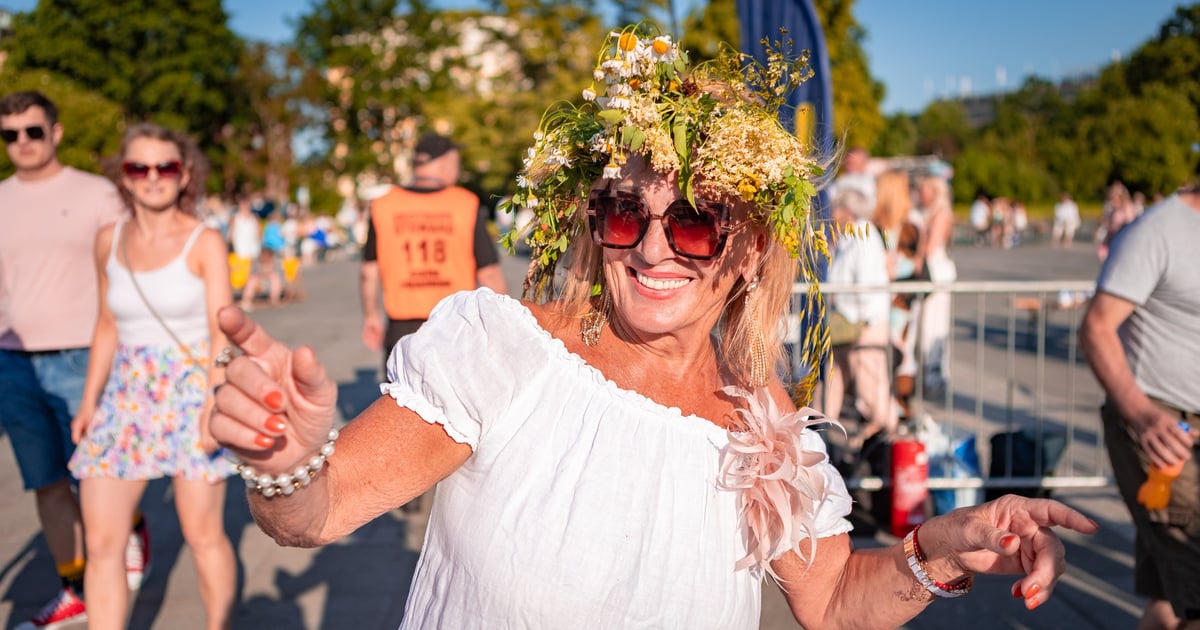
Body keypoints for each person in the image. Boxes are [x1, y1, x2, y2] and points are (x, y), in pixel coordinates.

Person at [211, 27, 1095, 629]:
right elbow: (313, 518)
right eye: (627, 215)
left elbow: (829, 602)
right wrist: (290, 464)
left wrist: (941, 550)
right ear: (597, 227)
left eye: (699, 222)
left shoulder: (765, 426)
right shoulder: (505, 350)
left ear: (746, 251)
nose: (656, 250)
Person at [67, 123, 237, 630]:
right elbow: (105, 325)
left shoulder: (204, 241)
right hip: (125, 396)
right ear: (125, 175)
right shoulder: (107, 240)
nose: (153, 177)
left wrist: (214, 404)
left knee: (203, 534)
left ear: (184, 175)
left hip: (191, 393)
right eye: (140, 167)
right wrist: (88, 402)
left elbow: (221, 329)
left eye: (166, 166)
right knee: (101, 543)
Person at [0, 90, 149, 630]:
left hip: (84, 354)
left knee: (97, 475)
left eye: (32, 131)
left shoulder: (97, 195)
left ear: (55, 133)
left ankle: (129, 525)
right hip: (12, 360)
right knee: (45, 482)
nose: (22, 143)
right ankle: (75, 590)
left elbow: (135, 269)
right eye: (10, 134)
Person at [1080, 185, 1200, 629]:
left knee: (1167, 599)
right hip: (1164, 428)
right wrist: (1143, 414)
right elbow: (1096, 327)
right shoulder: (1160, 230)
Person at [359, 132, 508, 372]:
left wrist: (371, 316)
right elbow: (489, 273)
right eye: (456, 164)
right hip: (455, 324)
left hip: (402, 327)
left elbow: (368, 271)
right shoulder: (465, 204)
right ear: (446, 162)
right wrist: (503, 324)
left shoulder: (382, 206)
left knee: (401, 402)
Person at [822, 189, 896, 442]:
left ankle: (887, 430)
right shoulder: (847, 238)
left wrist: (862, 319)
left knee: (869, 383)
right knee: (836, 372)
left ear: (846, 211)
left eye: (835, 210)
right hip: (849, 318)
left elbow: (867, 280)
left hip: (864, 320)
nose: (831, 215)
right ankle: (824, 422)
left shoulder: (862, 236)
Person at [913, 175, 957, 393]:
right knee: (924, 324)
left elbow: (930, 248)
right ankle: (927, 372)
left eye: (924, 190)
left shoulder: (941, 215)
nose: (920, 194)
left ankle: (934, 373)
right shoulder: (927, 214)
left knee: (933, 324)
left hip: (936, 273)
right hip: (930, 271)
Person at [829, 146, 876, 211]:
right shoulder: (838, 182)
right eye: (849, 163)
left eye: (856, 164)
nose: (852, 168)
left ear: (865, 164)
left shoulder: (872, 184)